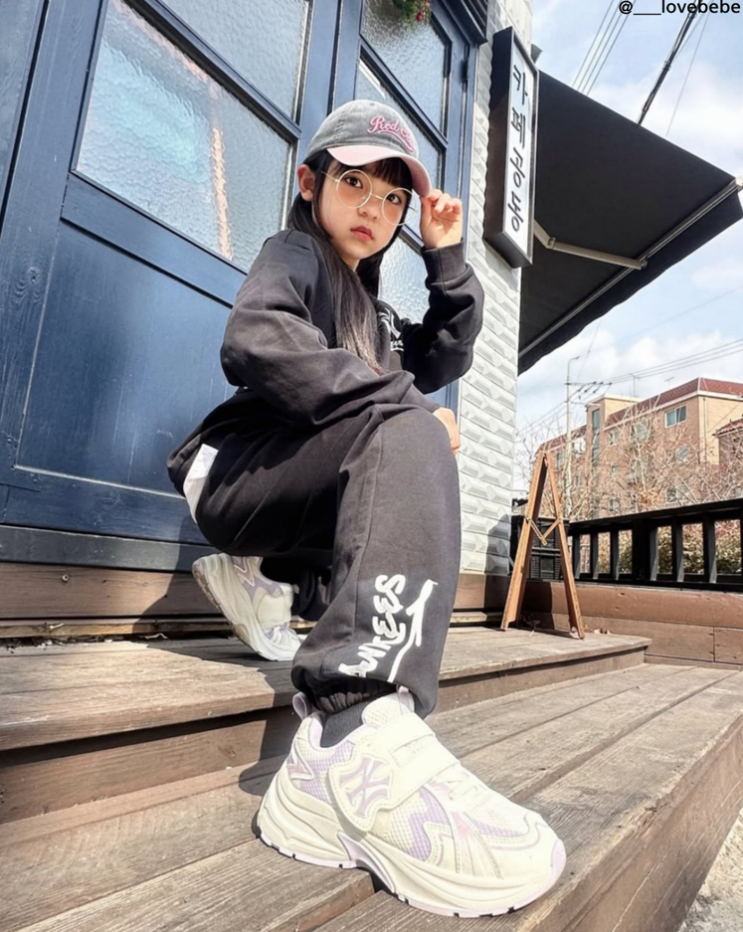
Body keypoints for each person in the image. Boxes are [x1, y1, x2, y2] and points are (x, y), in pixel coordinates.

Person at [167, 99, 565, 916]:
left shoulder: (373, 312)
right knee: (407, 428)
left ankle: (273, 580)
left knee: (404, 432)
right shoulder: (295, 254)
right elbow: (255, 336)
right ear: (309, 182)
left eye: (392, 198)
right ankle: (347, 731)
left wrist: (445, 254)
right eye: (354, 184)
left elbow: (444, 353)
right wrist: (403, 406)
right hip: (230, 471)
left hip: (286, 490)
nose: (373, 210)